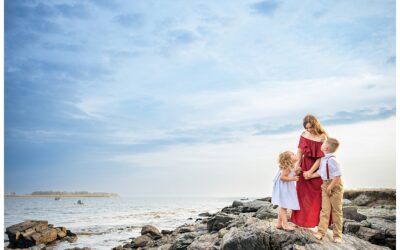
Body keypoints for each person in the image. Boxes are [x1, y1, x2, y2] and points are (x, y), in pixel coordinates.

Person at [290, 114, 327, 228]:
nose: (309, 130)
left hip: (316, 168)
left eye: (310, 127)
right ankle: (299, 222)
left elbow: (321, 158)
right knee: (301, 195)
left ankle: (314, 223)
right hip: (304, 166)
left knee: (316, 197)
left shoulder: (323, 137)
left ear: (315, 125)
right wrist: (297, 165)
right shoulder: (304, 134)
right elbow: (300, 152)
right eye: (306, 128)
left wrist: (311, 172)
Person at [307, 138, 343, 243]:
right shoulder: (323, 159)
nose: (321, 145)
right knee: (324, 210)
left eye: (323, 144)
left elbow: (338, 176)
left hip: (335, 186)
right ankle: (321, 232)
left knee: (337, 211)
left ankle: (337, 235)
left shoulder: (333, 160)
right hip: (325, 184)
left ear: (326, 147)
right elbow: (321, 172)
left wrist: (330, 187)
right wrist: (310, 175)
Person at [272, 151, 300, 231]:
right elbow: (282, 177)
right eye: (293, 154)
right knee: (283, 206)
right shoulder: (287, 167)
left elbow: (291, 174)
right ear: (288, 159)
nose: (295, 155)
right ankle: (285, 225)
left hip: (285, 187)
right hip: (283, 188)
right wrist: (293, 179)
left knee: (283, 205)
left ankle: (279, 224)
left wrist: (297, 172)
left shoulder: (292, 166)